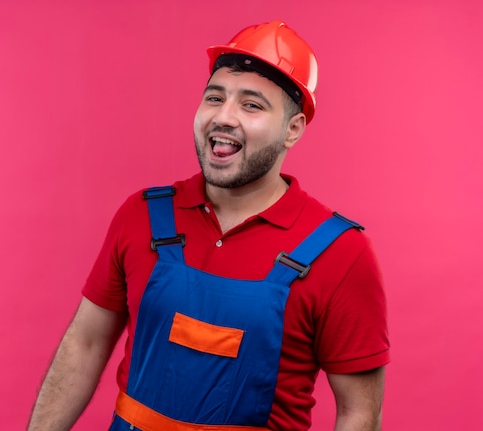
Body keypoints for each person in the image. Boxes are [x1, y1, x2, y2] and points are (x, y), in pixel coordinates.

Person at [27, 19, 390, 431]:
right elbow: (85, 344)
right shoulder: (142, 217)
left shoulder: (340, 253)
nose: (224, 116)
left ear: (293, 130)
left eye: (251, 105)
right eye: (214, 97)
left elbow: (360, 413)